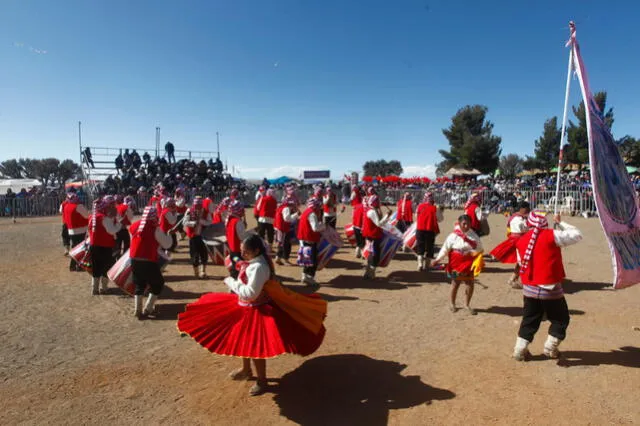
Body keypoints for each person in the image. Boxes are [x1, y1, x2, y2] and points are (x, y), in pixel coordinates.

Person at [177, 234, 327, 396]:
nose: (243, 254)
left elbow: (250, 294)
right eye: (242, 251)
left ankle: (261, 380)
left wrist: (231, 281)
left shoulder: (259, 267)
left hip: (256, 309)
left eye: (246, 252)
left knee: (254, 346)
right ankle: (246, 369)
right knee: (244, 341)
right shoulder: (256, 262)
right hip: (247, 307)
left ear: (256, 251)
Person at [512, 211, 582, 361]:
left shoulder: (522, 240)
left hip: (529, 287)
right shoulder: (552, 235)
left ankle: (519, 349)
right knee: (560, 319)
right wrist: (561, 222)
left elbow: (520, 262)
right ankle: (550, 347)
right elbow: (577, 235)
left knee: (530, 319)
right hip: (549, 287)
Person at [431, 215, 484, 315]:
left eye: (468, 223)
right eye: (464, 223)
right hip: (455, 263)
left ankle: (467, 305)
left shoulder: (474, 236)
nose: (466, 225)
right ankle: (452, 304)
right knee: (455, 283)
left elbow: (480, 248)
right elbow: (445, 249)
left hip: (469, 263)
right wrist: (437, 259)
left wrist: (471, 252)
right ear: (459, 224)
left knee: (470, 283)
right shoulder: (453, 236)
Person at [129, 206, 173, 318]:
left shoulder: (135, 225)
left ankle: (137, 310)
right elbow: (167, 244)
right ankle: (148, 308)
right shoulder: (155, 228)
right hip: (148, 260)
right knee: (158, 284)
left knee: (139, 284)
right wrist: (169, 234)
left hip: (134, 259)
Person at [489, 201, 531, 288]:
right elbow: (523, 229)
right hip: (519, 241)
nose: (529, 210)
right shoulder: (518, 219)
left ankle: (514, 279)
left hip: (518, 240)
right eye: (527, 209)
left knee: (521, 261)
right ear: (522, 209)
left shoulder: (516, 217)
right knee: (523, 261)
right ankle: (515, 279)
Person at [88, 196, 122, 295]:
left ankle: (94, 288)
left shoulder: (91, 217)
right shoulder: (103, 218)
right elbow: (112, 230)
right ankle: (104, 287)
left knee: (96, 267)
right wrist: (119, 224)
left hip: (94, 245)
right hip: (105, 245)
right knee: (106, 266)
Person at [361, 193, 392, 280]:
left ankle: (368, 273)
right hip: (373, 236)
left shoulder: (372, 210)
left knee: (372, 254)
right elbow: (379, 224)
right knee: (374, 255)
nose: (379, 203)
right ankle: (370, 274)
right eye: (377, 201)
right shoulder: (372, 212)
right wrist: (387, 215)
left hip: (372, 235)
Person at [297, 197, 326, 287]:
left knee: (306, 259)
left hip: (304, 238)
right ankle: (310, 277)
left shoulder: (306, 212)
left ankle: (305, 276)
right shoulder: (312, 214)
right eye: (318, 206)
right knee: (312, 260)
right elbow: (315, 228)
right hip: (309, 239)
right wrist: (323, 226)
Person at [414, 192, 443, 272]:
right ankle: (426, 266)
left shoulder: (419, 206)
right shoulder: (435, 207)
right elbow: (440, 219)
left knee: (420, 246)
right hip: (430, 229)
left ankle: (419, 264)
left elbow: (416, 217)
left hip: (420, 229)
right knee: (429, 248)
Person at [62, 193, 90, 271]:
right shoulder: (78, 206)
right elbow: (87, 215)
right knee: (80, 249)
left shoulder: (66, 206)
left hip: (71, 230)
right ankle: (77, 266)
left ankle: (73, 266)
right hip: (80, 230)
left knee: (75, 248)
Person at [184, 197, 210, 278]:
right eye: (196, 206)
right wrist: (193, 223)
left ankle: (203, 272)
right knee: (194, 255)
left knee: (204, 254)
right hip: (193, 237)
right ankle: (196, 273)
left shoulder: (206, 212)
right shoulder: (189, 211)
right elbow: (184, 222)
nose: (197, 207)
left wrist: (201, 221)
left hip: (204, 237)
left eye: (199, 205)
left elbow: (210, 222)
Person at [225, 200, 251, 278]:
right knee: (239, 266)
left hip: (232, 249)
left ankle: (233, 278)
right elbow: (242, 236)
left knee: (234, 264)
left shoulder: (229, 220)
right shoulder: (238, 221)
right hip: (238, 250)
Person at [274, 193, 299, 265]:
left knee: (281, 243)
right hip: (283, 228)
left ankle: (278, 257)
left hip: (279, 227)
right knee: (286, 244)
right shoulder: (286, 208)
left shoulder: (281, 207)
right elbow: (287, 219)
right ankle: (285, 259)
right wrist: (296, 215)